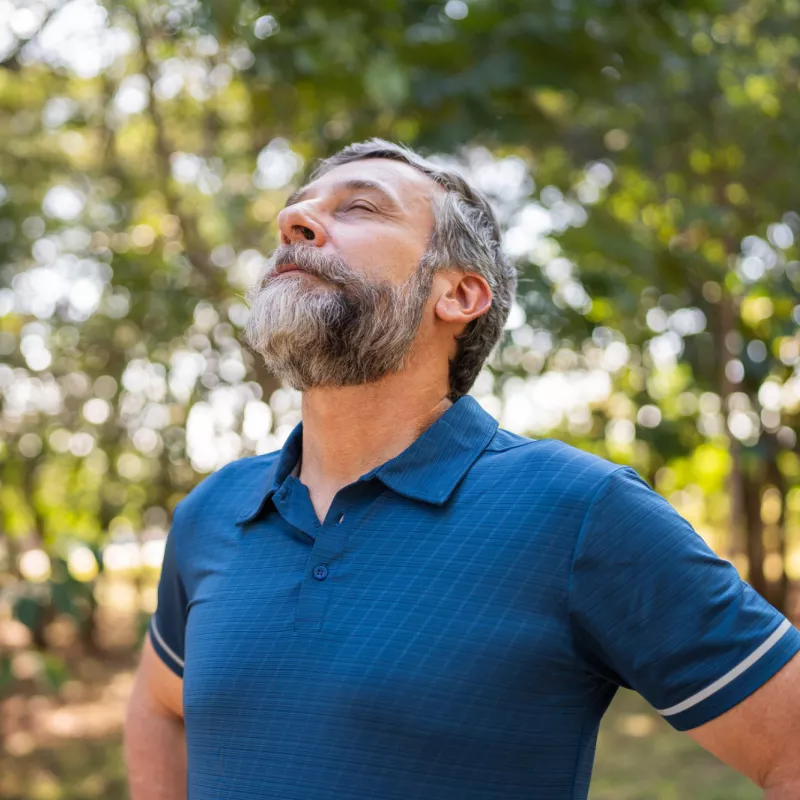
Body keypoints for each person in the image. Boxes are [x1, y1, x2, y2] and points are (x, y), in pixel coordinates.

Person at [125, 139, 800, 800]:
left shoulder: (582, 510)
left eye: (360, 207)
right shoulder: (212, 510)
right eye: (299, 209)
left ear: (459, 294)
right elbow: (158, 706)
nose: (292, 222)